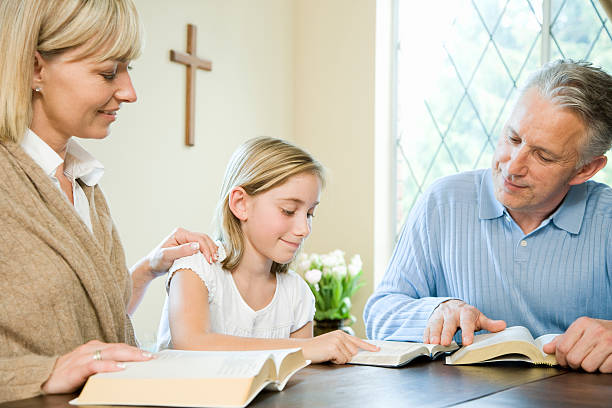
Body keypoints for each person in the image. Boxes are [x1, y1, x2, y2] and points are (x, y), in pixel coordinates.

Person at [0, 0, 218, 401]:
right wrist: (42, 373)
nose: (129, 92)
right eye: (107, 73)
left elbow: (83, 314)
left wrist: (146, 269)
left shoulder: (83, 183)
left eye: (127, 69)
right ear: (35, 68)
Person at [364, 59, 612, 373]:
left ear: (585, 169)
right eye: (513, 138)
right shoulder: (444, 202)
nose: (513, 166)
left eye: (543, 155)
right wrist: (435, 312)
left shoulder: (607, 220)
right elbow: (379, 314)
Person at [156, 137, 378, 363]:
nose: (304, 229)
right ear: (241, 204)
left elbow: (300, 375)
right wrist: (302, 348)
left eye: (309, 214)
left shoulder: (296, 294)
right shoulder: (196, 268)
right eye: (288, 211)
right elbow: (192, 344)